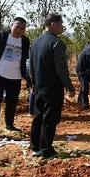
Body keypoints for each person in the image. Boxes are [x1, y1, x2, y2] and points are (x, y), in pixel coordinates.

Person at [29, 14, 75, 159]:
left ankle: (35, 147)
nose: (62, 26)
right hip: (53, 88)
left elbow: (31, 66)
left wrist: (34, 83)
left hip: (39, 86)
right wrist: (69, 86)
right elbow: (61, 69)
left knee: (38, 117)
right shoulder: (57, 43)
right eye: (61, 23)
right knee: (50, 118)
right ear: (53, 24)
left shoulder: (35, 42)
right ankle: (47, 150)